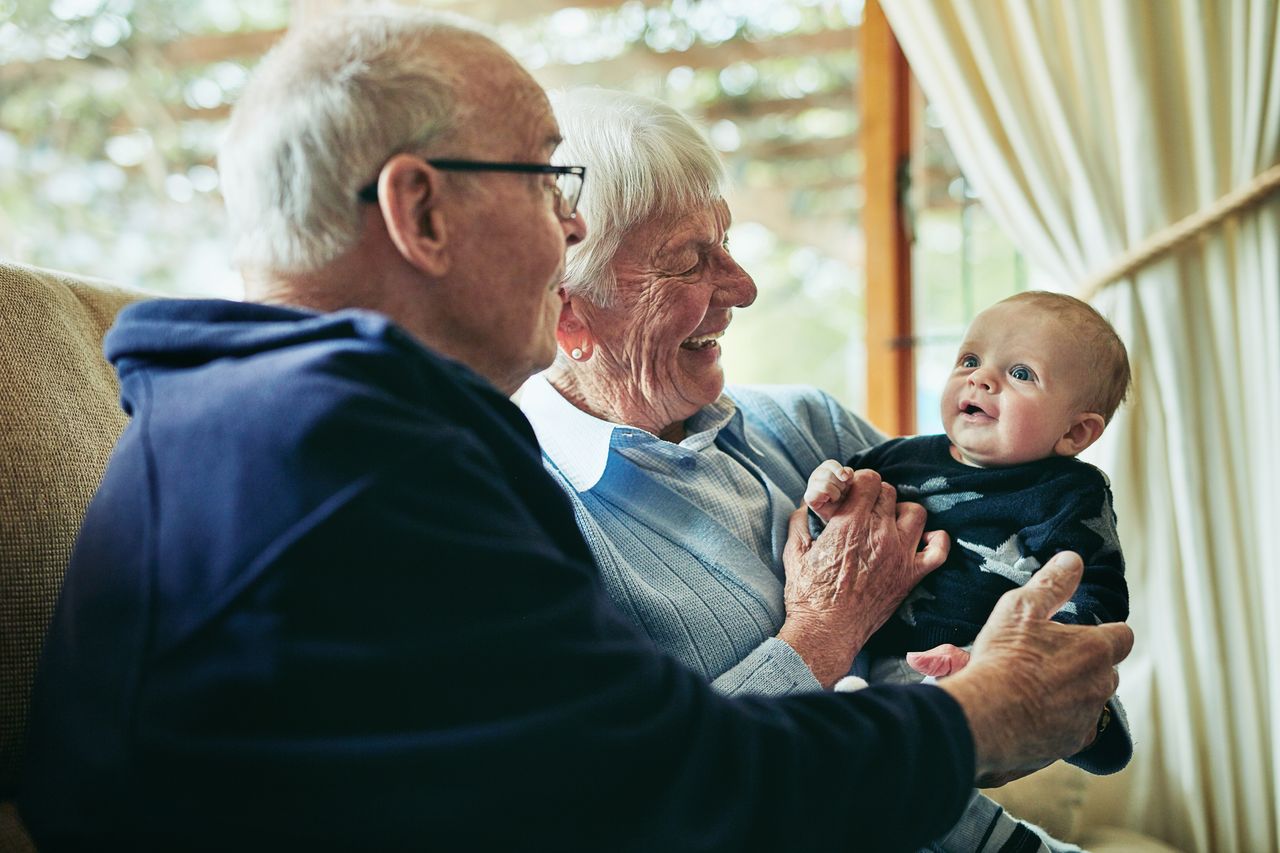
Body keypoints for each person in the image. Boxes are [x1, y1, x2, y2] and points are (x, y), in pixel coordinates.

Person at [20, 15, 1131, 852]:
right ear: (421, 211)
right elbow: (657, 788)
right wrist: (978, 717)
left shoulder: (307, 422)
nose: (570, 221)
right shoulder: (332, 457)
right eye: (546, 175)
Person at [519, 88, 1124, 852]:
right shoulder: (529, 518)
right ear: (572, 313)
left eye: (727, 241)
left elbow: (1003, 603)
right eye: (690, 261)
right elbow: (629, 806)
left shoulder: (807, 425)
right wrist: (826, 628)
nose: (743, 286)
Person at [806, 291, 1130, 681]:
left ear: (1075, 432)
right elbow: (837, 530)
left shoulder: (1070, 492)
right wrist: (826, 492)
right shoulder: (897, 458)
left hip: (995, 672)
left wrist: (1005, 657)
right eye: (970, 361)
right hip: (868, 660)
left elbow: (1097, 594)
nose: (980, 378)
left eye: (1021, 373)